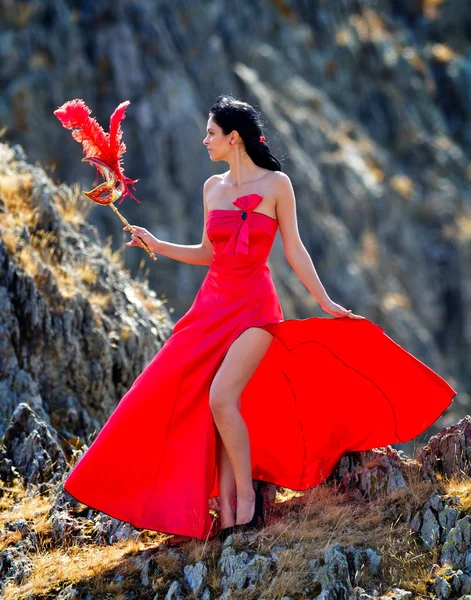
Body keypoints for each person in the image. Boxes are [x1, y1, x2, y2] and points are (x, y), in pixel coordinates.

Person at [63, 95, 457, 542]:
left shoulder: (277, 185)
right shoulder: (211, 188)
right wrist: (157, 243)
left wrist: (325, 301)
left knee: (220, 398)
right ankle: (227, 511)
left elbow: (294, 249)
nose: (204, 140)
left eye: (211, 133)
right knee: (163, 392)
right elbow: (208, 254)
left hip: (256, 310)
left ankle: (247, 501)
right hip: (210, 309)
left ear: (234, 138)